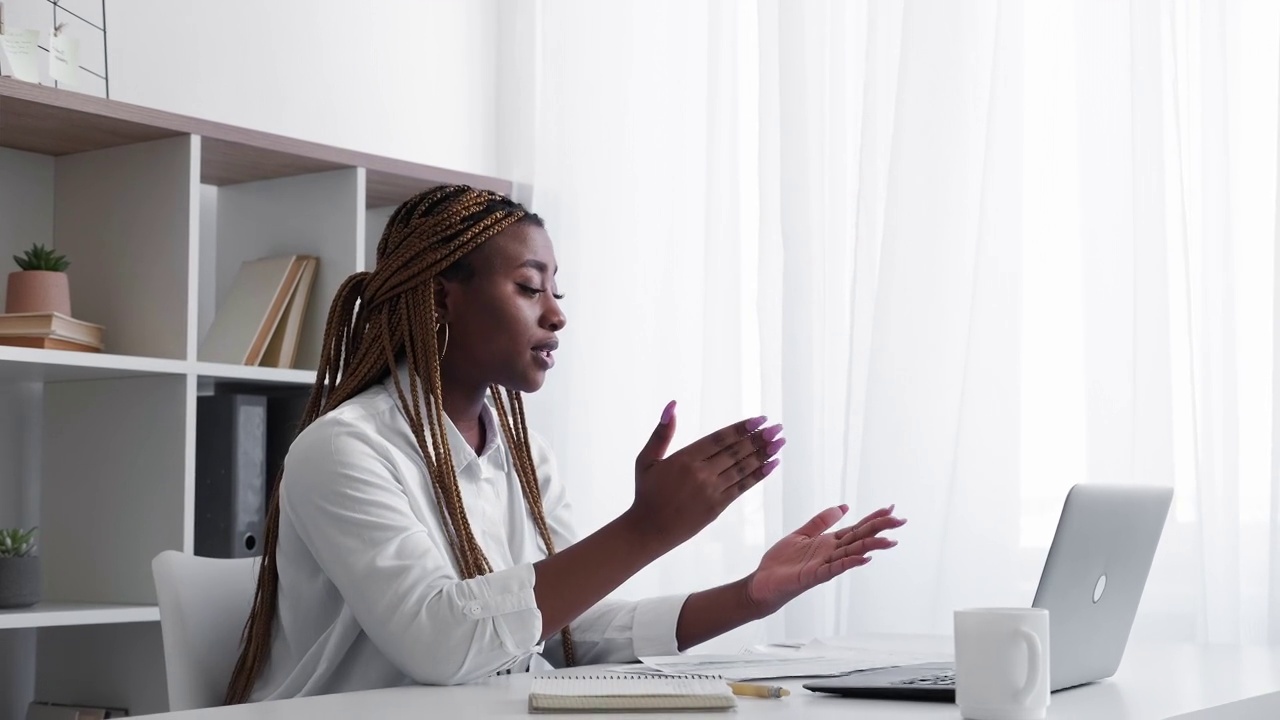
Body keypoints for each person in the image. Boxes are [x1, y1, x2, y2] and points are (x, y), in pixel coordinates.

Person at [223, 185, 906, 704]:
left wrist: (752, 595)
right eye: (529, 287)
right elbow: (438, 641)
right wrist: (647, 528)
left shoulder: (525, 458)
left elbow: (571, 634)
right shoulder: (343, 451)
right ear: (439, 299)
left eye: (556, 290)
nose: (557, 313)